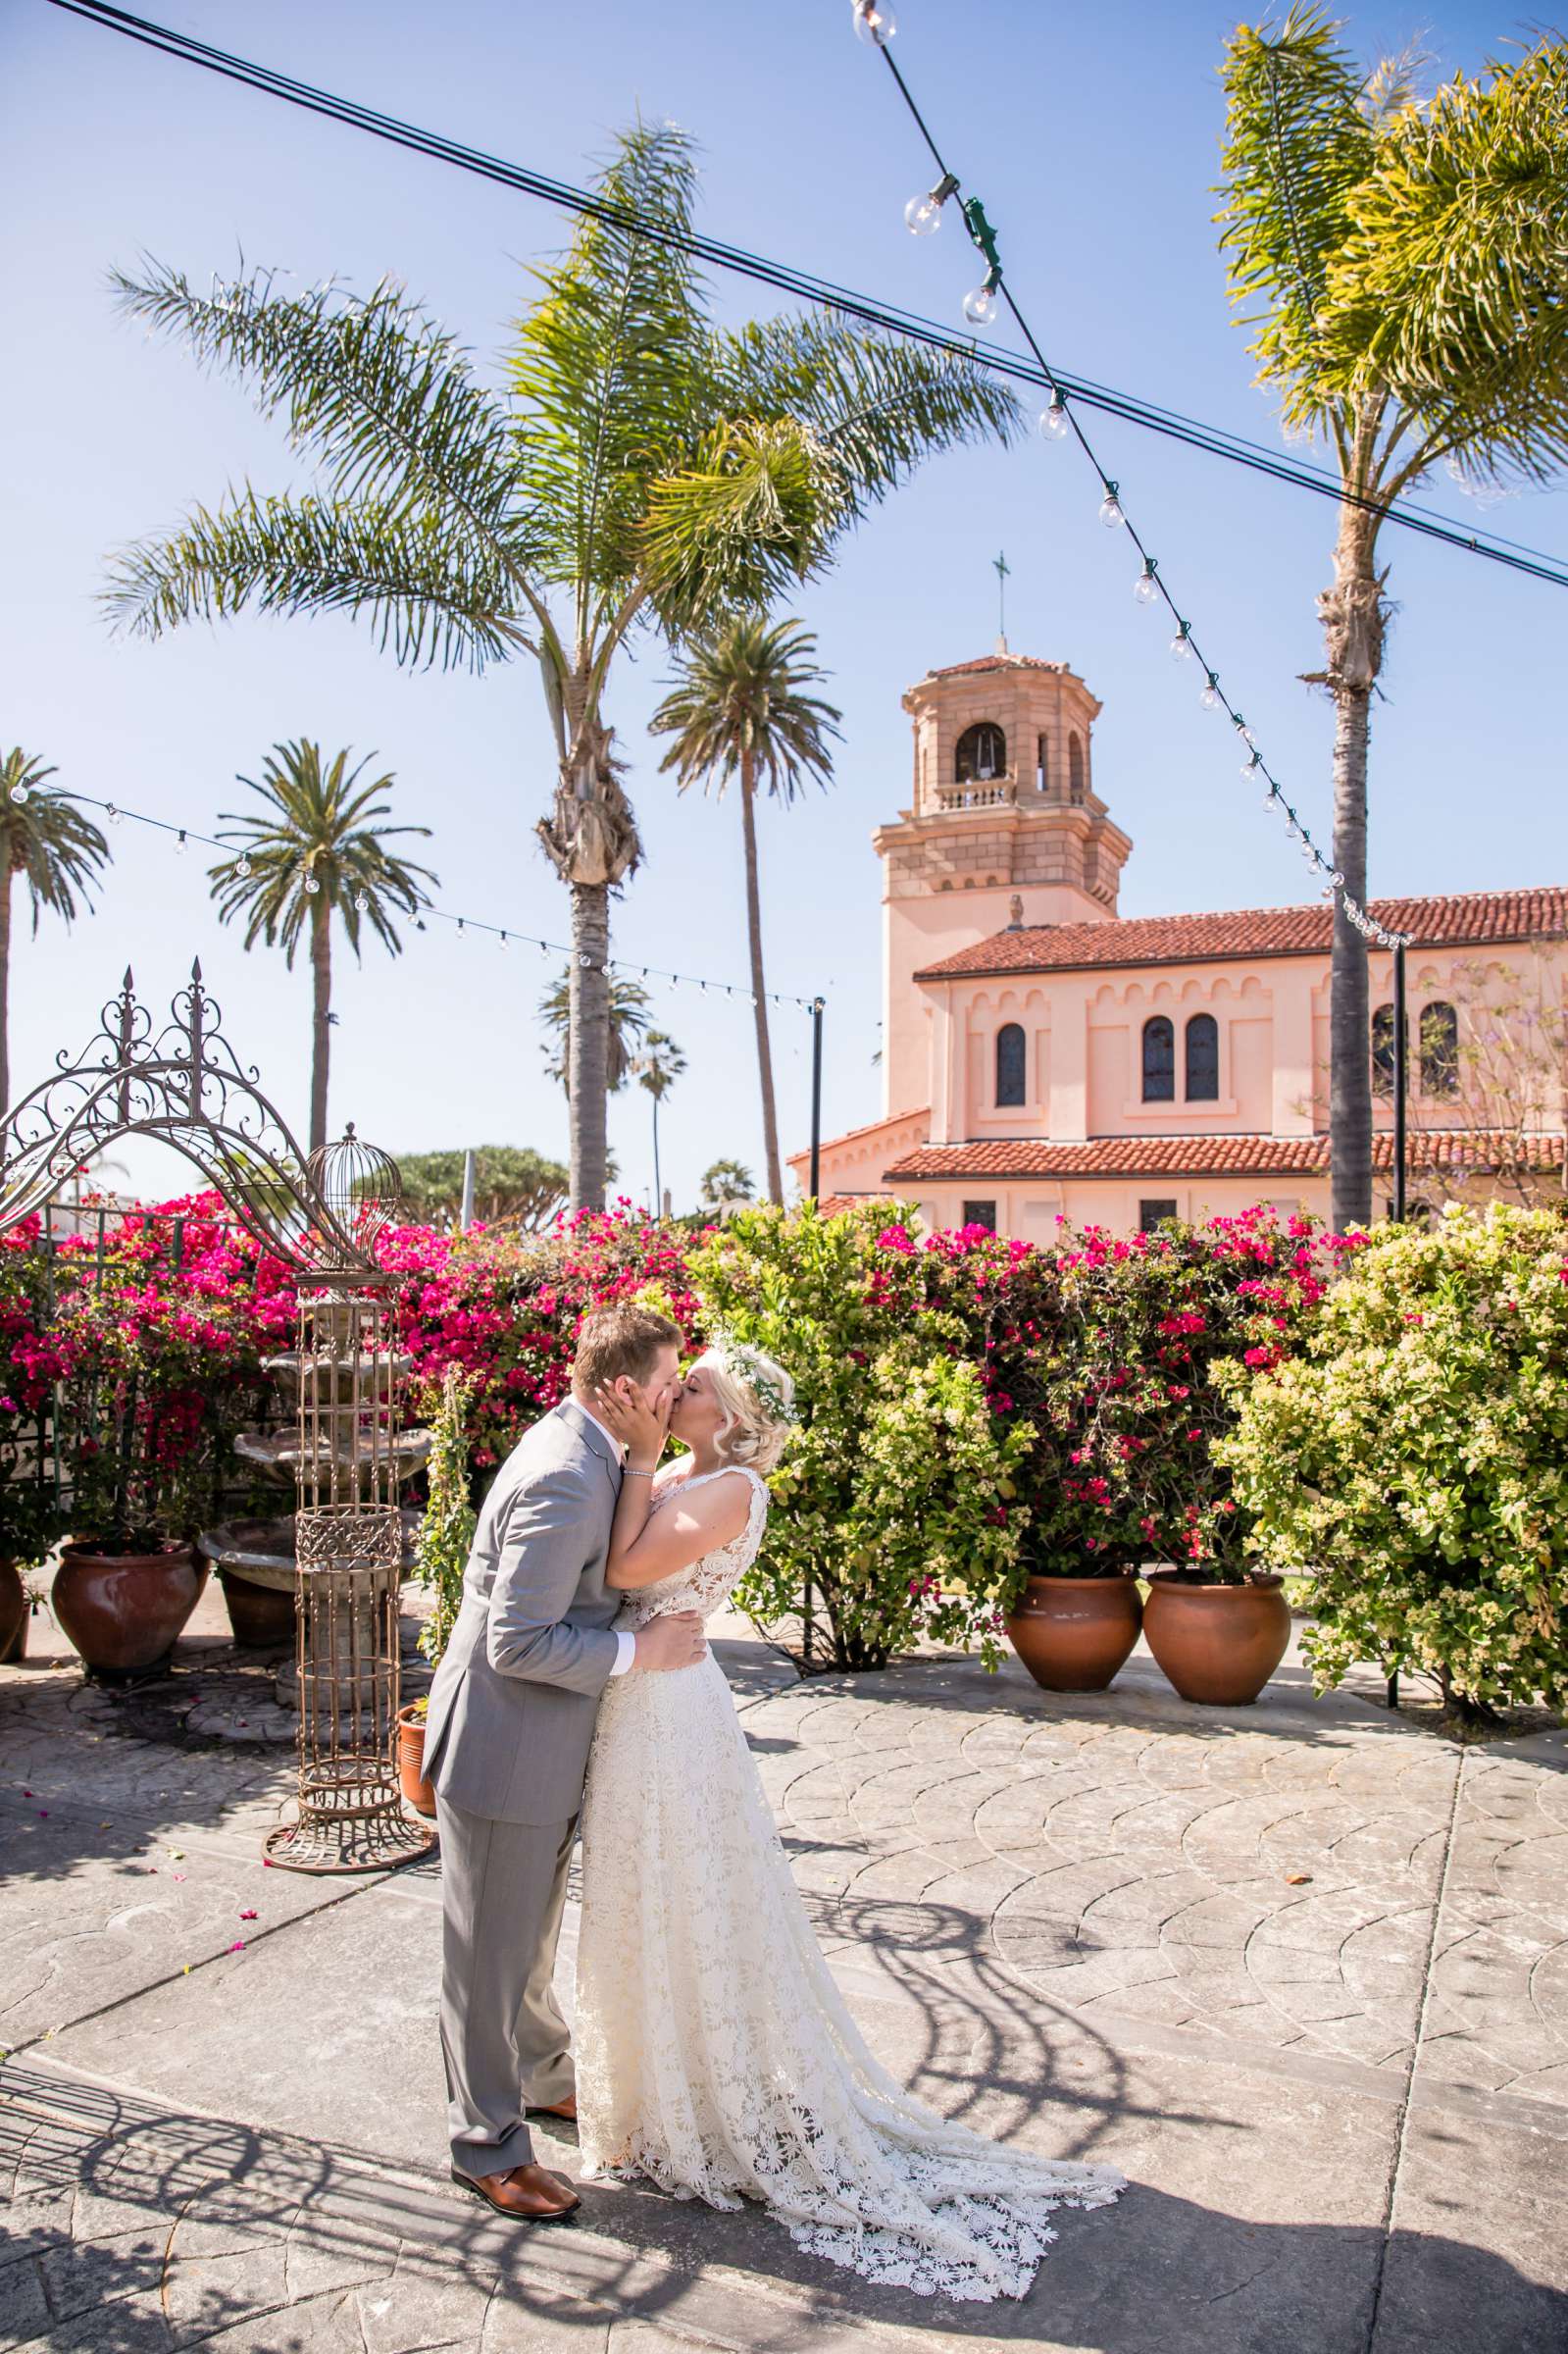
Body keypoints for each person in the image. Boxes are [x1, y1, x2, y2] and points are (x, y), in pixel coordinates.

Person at [574, 1339, 1126, 2302]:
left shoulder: (734, 1489)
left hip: (672, 1717)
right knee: (638, 1888)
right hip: (639, 1705)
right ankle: (654, 2098)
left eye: (692, 1387)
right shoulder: (675, 1470)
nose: (675, 1392)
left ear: (731, 1420)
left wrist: (627, 1458)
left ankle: (696, 2105)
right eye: (679, 1380)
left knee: (685, 1890)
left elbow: (626, 1569)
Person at [422, 1302, 704, 2224]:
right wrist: (640, 1654)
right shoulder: (564, 1478)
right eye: (666, 1387)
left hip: (539, 1742)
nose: (673, 1400)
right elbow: (519, 1642)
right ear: (622, 1390)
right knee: (489, 1961)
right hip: (507, 1747)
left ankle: (543, 2077)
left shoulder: (592, 1452)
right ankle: (487, 2146)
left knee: (525, 1938)